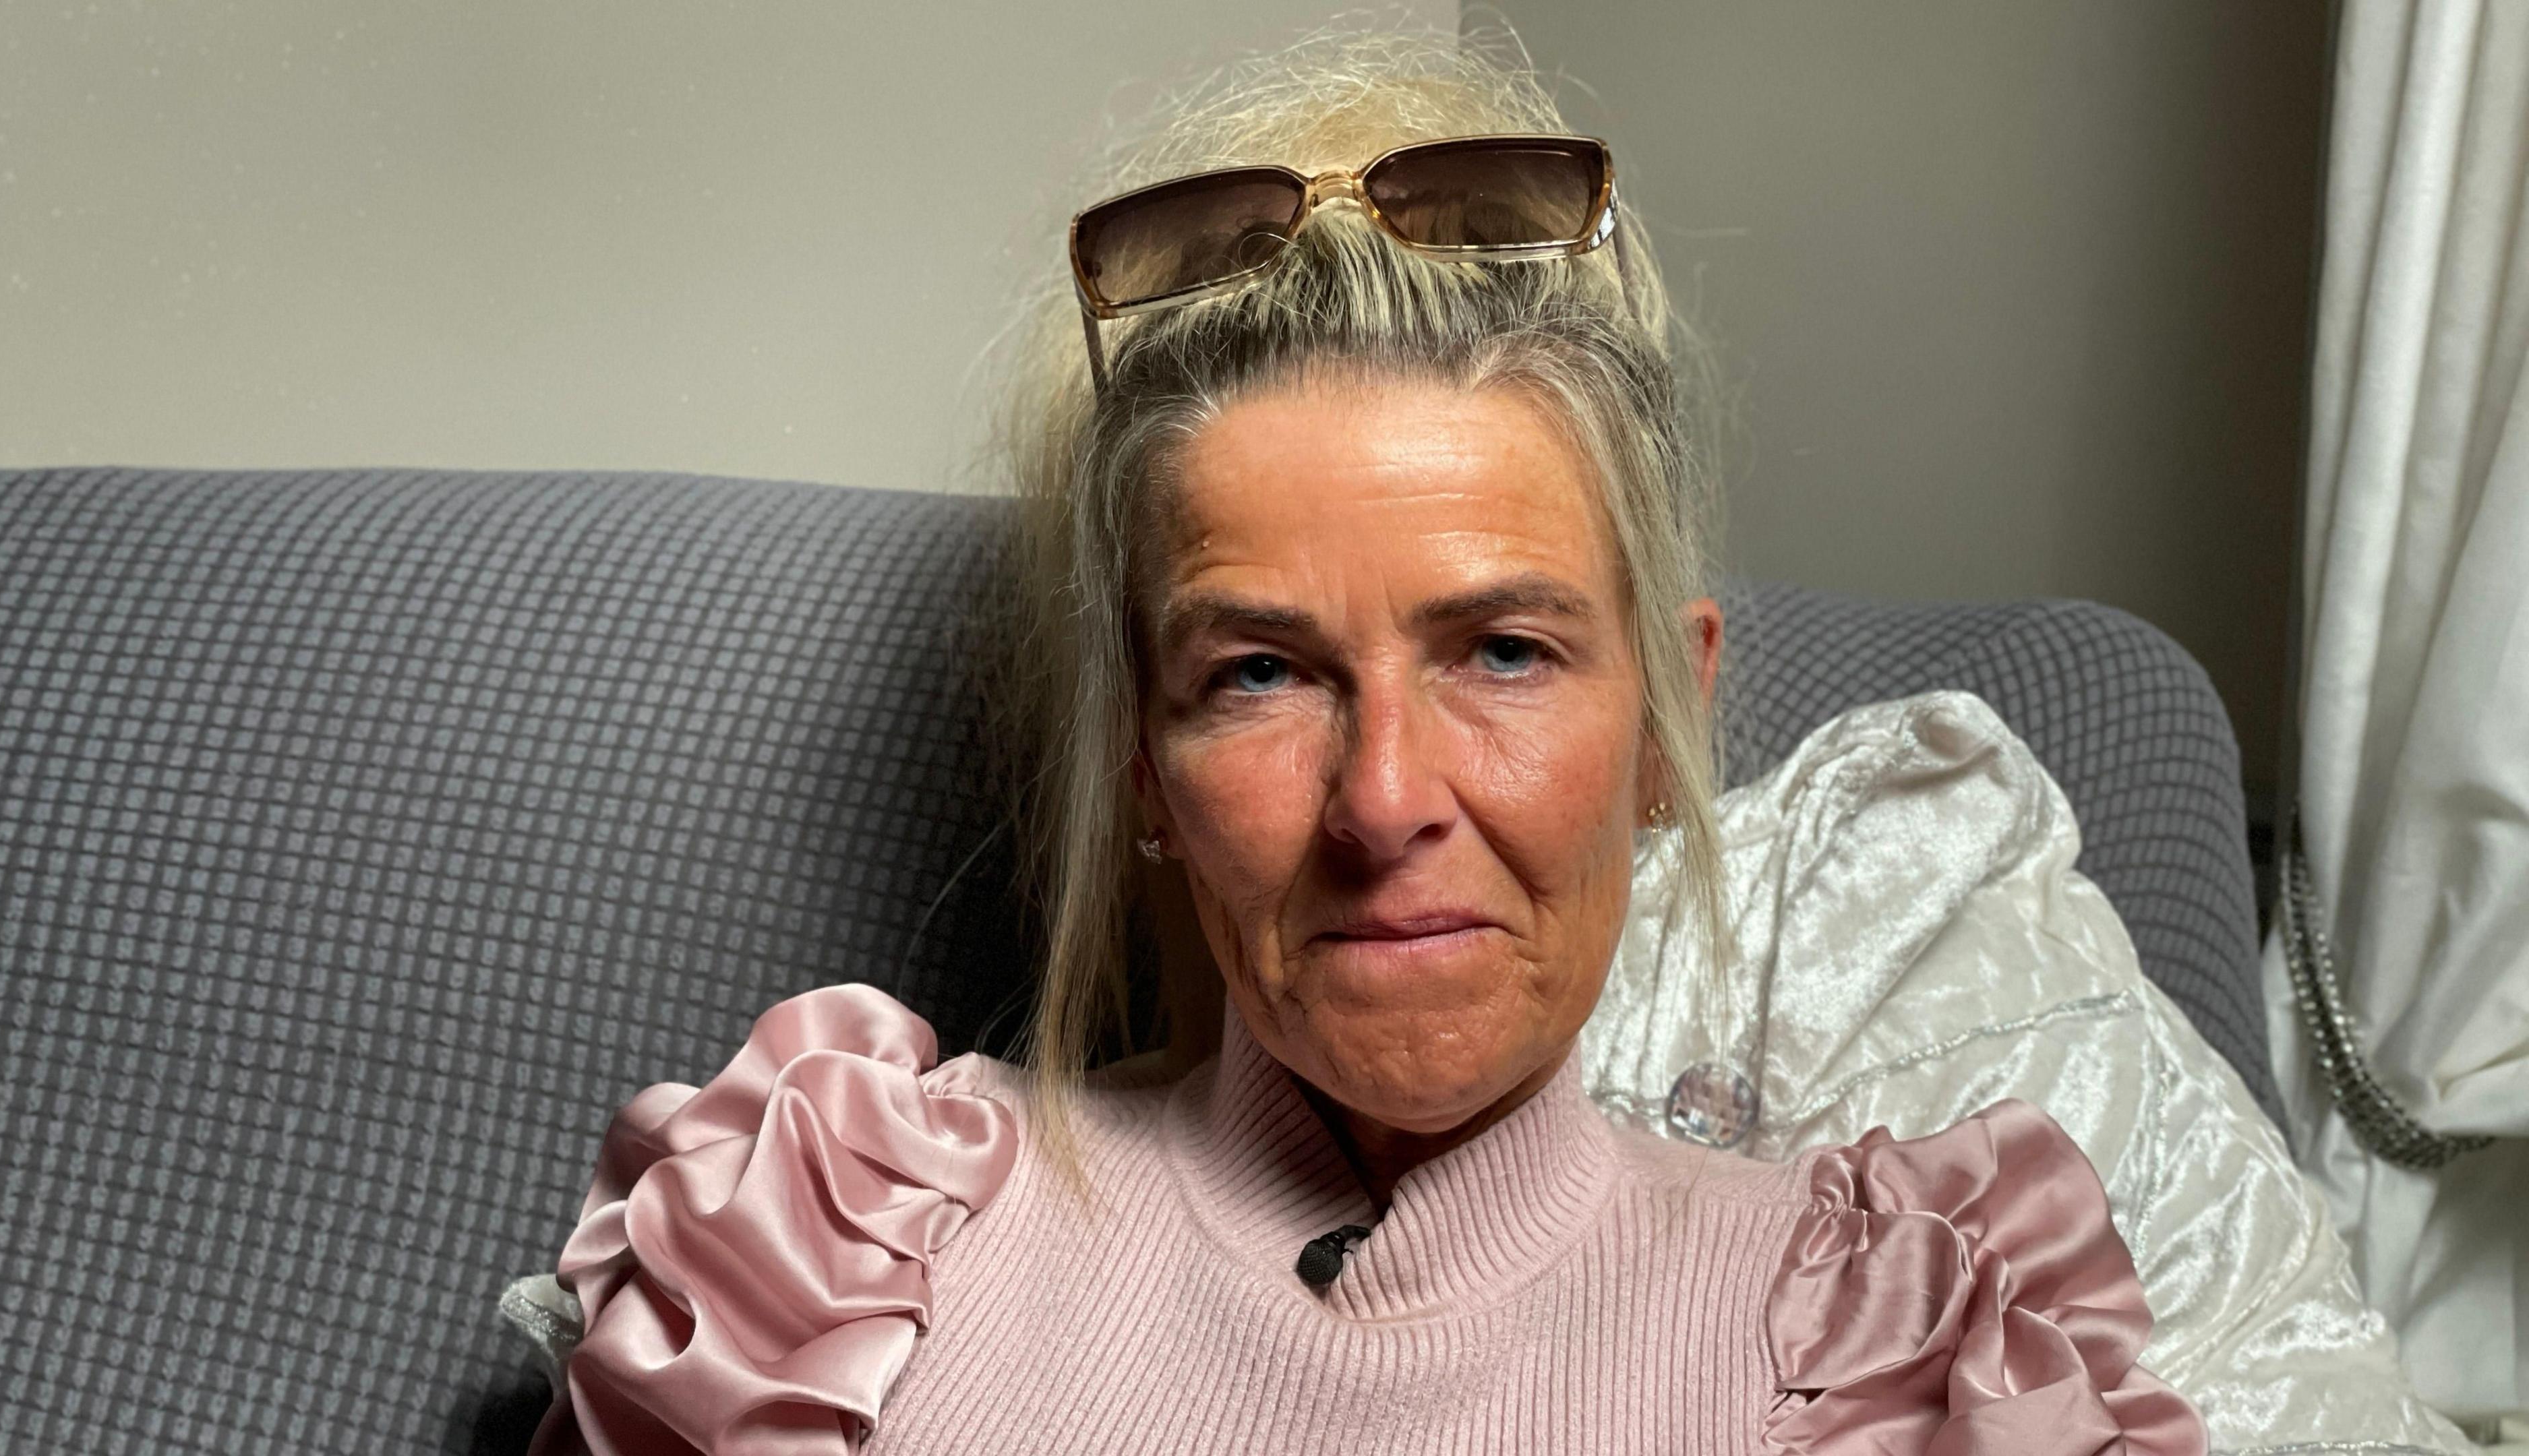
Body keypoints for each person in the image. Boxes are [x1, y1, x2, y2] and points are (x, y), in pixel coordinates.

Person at [505, 32, 2210, 1455]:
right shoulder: (830, 1265)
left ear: (1662, 723)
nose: (1385, 800)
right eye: (1259, 674)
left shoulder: (1911, 1357)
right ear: (1137, 768)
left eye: (1504, 651)